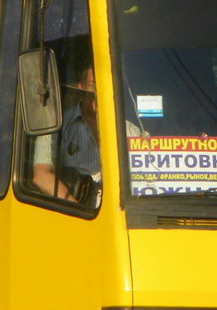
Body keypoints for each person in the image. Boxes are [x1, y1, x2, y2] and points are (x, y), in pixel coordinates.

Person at [32, 65, 140, 205]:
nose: (99, 92)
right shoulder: (57, 126)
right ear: (81, 88)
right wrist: (76, 209)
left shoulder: (130, 131)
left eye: (106, 86)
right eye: (93, 86)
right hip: (76, 216)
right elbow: (41, 176)